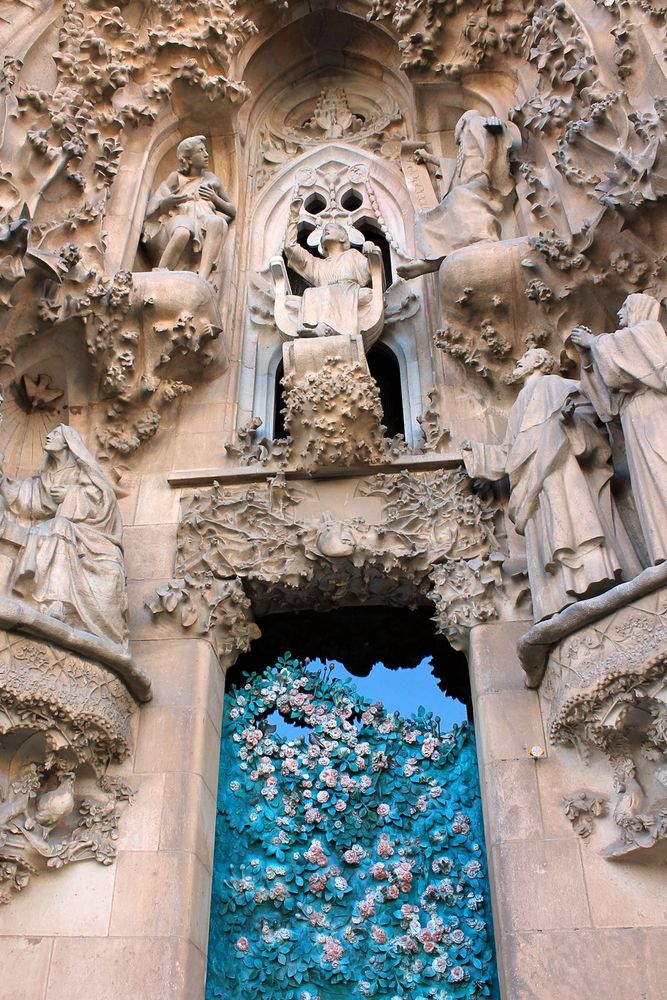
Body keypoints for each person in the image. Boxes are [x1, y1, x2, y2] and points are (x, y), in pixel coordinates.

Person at [461, 349, 640, 621]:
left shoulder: (558, 385)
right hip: (535, 484)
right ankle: (560, 591)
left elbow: (597, 412)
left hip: (564, 468)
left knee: (576, 523)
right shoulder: (520, 403)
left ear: (538, 362)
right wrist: (479, 455)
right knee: (550, 530)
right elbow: (511, 452)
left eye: (525, 357)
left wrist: (570, 422)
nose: (519, 362)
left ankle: (591, 575)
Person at [0, 425, 128, 645]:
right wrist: (2, 479)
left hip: (90, 537)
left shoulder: (83, 473)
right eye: (49, 432)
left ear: (69, 443)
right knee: (52, 528)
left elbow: (104, 503)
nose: (48, 435)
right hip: (57, 531)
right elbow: (27, 500)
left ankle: (57, 602)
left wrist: (72, 495)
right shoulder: (45, 477)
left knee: (59, 527)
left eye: (56, 434)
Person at [570, 293, 667, 566]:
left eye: (625, 306)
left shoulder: (648, 331)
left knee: (662, 470)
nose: (620, 311)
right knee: (648, 483)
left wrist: (595, 342)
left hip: (654, 411)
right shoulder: (622, 342)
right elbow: (608, 404)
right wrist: (588, 355)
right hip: (633, 417)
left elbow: (643, 368)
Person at [397, 110, 519, 280]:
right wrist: (429, 157)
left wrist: (495, 131)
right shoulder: (465, 142)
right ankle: (436, 258)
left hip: (482, 181)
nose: (456, 137)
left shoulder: (474, 122)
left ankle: (484, 239)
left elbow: (491, 141)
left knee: (460, 197)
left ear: (461, 122)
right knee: (429, 216)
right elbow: (455, 167)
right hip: (470, 186)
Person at [143, 135, 235, 283]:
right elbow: (157, 202)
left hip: (203, 218)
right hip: (180, 216)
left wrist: (215, 199)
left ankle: (203, 279)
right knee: (182, 231)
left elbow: (232, 210)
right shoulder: (176, 177)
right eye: (200, 151)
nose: (206, 154)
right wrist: (168, 201)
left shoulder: (212, 180)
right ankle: (161, 271)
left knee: (217, 222)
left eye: (205, 150)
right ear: (189, 159)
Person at [284, 197, 379, 338]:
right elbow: (290, 248)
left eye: (330, 229)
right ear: (322, 244)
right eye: (324, 232)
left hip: (347, 291)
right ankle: (318, 328)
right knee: (310, 292)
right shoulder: (317, 264)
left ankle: (323, 327)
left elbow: (372, 270)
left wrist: (372, 251)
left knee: (327, 292)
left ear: (343, 238)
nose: (325, 231)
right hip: (324, 295)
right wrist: (293, 217)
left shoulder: (352, 255)